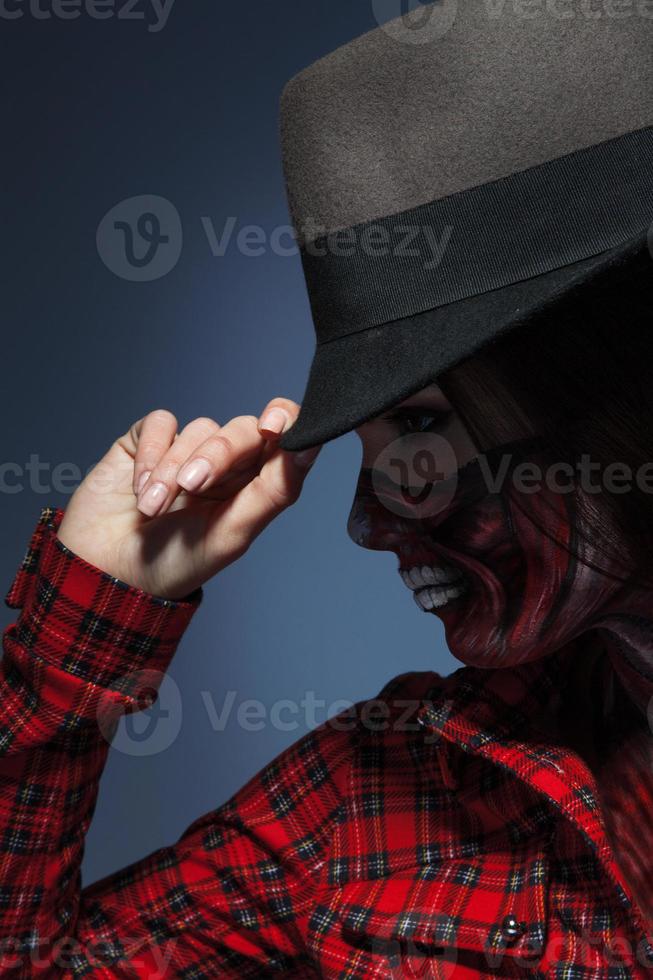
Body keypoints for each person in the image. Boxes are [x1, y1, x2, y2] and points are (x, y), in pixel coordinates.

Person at [3, 4, 653, 977]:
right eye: (365, 440)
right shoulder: (373, 811)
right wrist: (89, 618)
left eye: (425, 425)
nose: (366, 521)